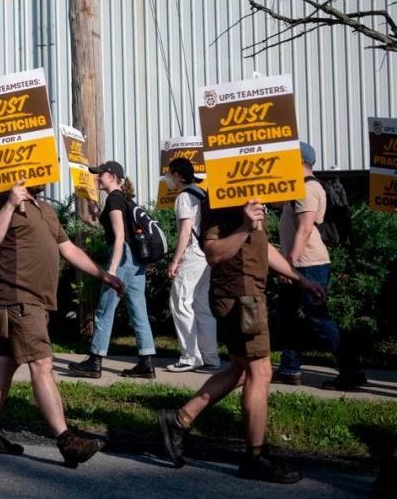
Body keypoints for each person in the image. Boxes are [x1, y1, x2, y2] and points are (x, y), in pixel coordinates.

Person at [158, 199, 323, 483]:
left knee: (238, 370)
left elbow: (263, 248)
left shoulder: (252, 201)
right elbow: (212, 253)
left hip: (247, 296)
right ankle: (255, 457)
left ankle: (178, 419)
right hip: (240, 297)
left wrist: (299, 278)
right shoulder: (222, 201)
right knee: (261, 371)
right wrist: (245, 225)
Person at [0, 181, 123, 466]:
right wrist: (9, 204)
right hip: (17, 297)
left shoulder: (44, 209)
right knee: (42, 364)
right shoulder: (1, 202)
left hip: (38, 301)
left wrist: (103, 275)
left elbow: (68, 249)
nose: (45, 176)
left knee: (6, 363)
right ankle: (66, 440)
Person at [273, 142, 365, 390]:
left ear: (299, 160)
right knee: (286, 316)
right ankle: (290, 368)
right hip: (299, 263)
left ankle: (351, 370)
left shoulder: (308, 189)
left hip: (307, 263)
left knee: (318, 318)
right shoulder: (297, 188)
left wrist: (288, 263)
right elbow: (280, 205)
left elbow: (305, 228)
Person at [69, 161, 156, 379]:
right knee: (138, 311)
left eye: (101, 174)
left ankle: (95, 361)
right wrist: (96, 211)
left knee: (104, 310)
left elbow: (119, 238)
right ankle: (146, 362)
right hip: (135, 261)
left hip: (123, 259)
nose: (97, 178)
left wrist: (112, 271)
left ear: (113, 176)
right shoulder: (122, 199)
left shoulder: (115, 199)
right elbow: (116, 228)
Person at [164, 158, 219, 372]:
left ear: (177, 174)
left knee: (180, 302)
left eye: (169, 174)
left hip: (192, 255)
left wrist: (175, 260)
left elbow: (186, 231)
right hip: (207, 255)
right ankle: (210, 357)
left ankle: (190, 356)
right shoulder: (201, 193)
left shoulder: (184, 197)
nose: (168, 178)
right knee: (202, 306)